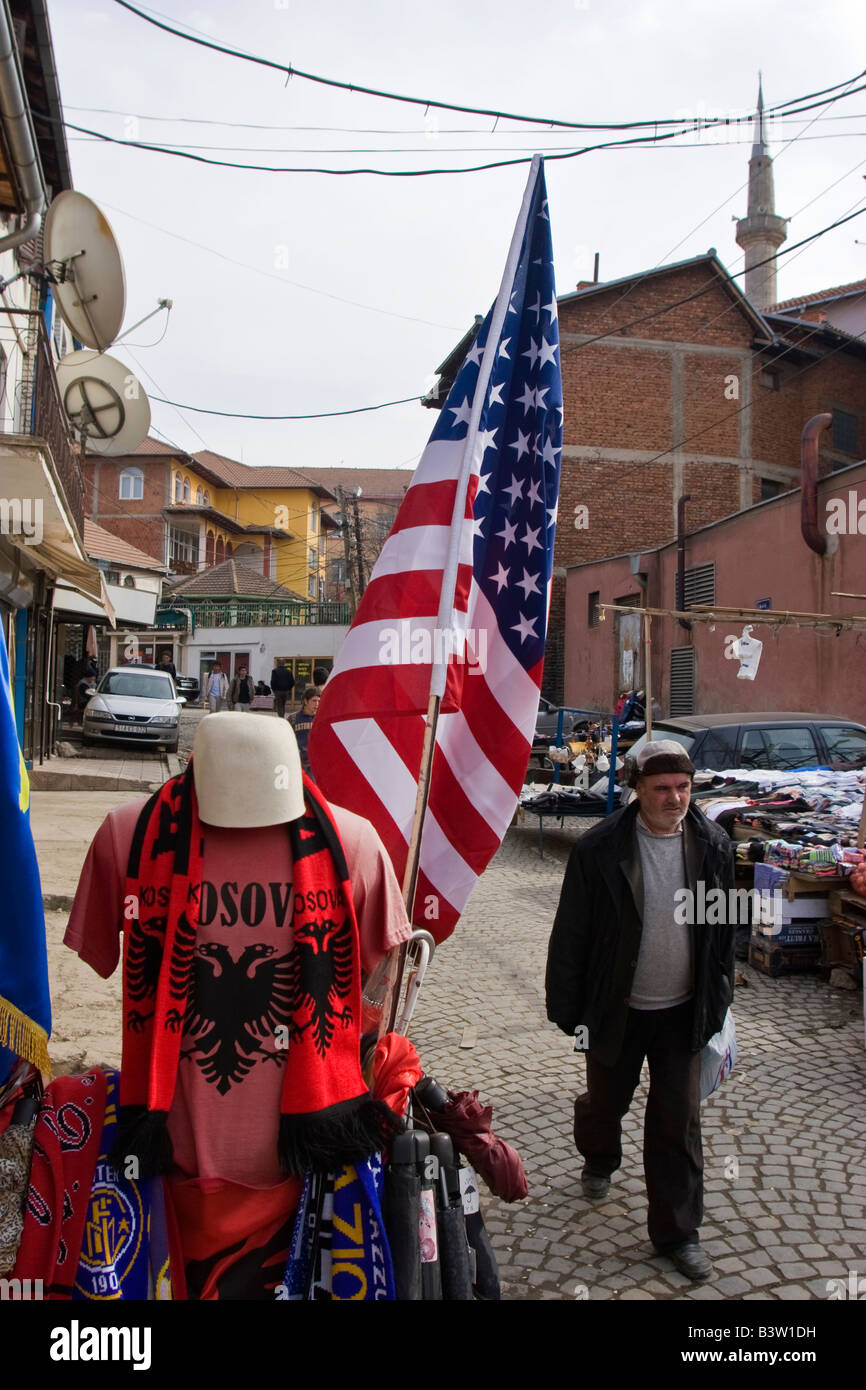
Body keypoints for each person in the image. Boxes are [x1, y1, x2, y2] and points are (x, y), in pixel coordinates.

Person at [545, 739, 735, 1283]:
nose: (675, 798)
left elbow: (722, 933)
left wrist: (719, 997)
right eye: (662, 789)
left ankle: (678, 1233)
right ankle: (600, 1158)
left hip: (683, 1012)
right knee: (606, 1104)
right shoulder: (601, 849)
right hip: (615, 1009)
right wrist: (568, 1009)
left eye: (682, 787)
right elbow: (572, 934)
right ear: (637, 789)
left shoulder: (713, 845)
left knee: (677, 1122)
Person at [287, 685, 320, 775]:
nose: (317, 704)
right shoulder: (293, 719)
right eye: (314, 701)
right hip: (298, 766)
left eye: (319, 701)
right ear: (305, 701)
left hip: (316, 766)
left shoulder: (322, 719)